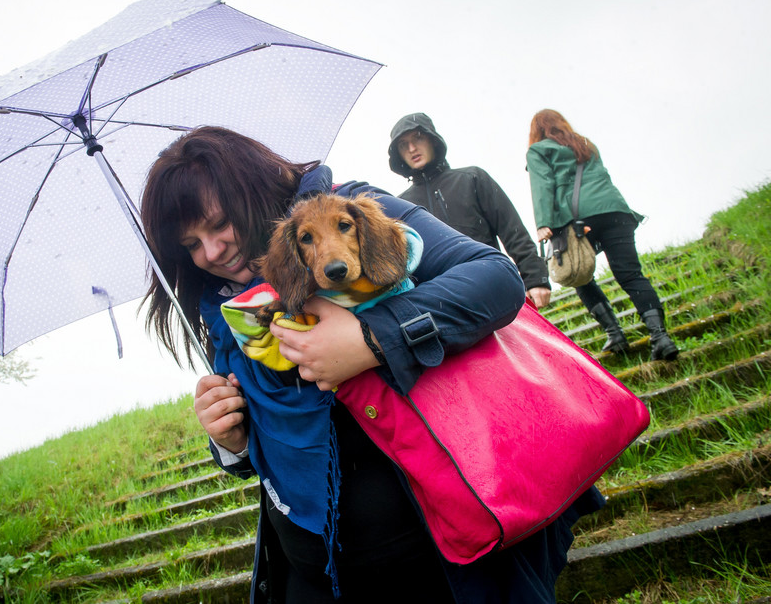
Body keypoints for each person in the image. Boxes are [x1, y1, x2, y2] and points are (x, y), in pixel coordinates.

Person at [140, 126, 603, 603]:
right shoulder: (224, 307)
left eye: (218, 225)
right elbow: (266, 440)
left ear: (250, 190)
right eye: (192, 245)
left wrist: (372, 339)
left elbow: (495, 278)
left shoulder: (352, 209)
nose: (212, 252)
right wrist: (230, 440)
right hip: (313, 571)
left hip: (437, 554)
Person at [525, 109, 679, 361]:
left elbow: (542, 184)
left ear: (537, 131)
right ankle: (660, 337)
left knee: (580, 274)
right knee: (630, 274)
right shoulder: (585, 143)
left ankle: (615, 334)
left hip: (578, 218)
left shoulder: (539, 150)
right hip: (615, 210)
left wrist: (544, 222)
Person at [388, 113, 553, 309]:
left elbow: (511, 229)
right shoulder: (402, 205)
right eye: (403, 144)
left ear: (432, 139)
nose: (412, 148)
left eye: (418, 137)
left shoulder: (472, 178)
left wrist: (535, 278)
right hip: (441, 307)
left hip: (491, 289)